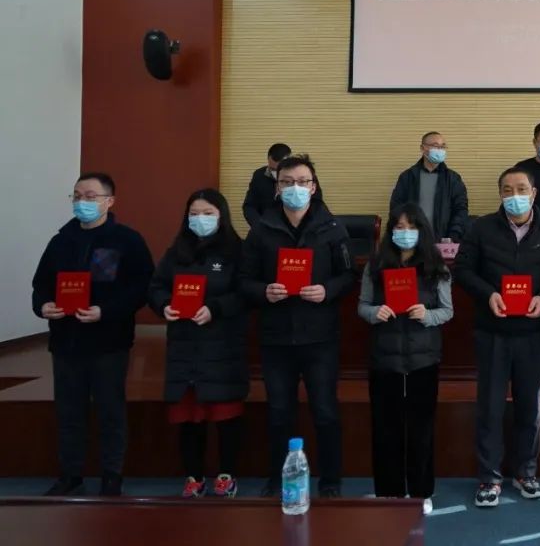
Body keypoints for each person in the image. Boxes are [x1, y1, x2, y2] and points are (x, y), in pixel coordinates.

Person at [239, 154, 355, 499]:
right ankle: (278, 480)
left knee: (325, 411)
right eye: (287, 182)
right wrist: (264, 291)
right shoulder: (261, 230)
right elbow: (243, 280)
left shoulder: (332, 228)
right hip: (276, 337)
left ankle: (330, 481)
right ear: (277, 188)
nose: (295, 188)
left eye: (302, 182)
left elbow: (349, 275)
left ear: (313, 187)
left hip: (320, 337)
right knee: (279, 413)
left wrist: (327, 290)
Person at [31, 172, 154, 496]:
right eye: (76, 196)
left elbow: (141, 287)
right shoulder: (60, 241)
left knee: (110, 410)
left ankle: (112, 475)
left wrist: (105, 311)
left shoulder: (127, 240)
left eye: (90, 197)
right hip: (66, 341)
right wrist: (43, 305)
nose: (81, 202)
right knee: (69, 412)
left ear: (109, 201)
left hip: (108, 342)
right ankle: (70, 474)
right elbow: (41, 284)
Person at [453, 168, 540, 508]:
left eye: (521, 189)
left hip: (532, 333)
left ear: (534, 193)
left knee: (530, 409)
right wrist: (488, 294)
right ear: (500, 194)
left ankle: (525, 473)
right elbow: (463, 270)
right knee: (490, 408)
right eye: (507, 189)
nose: (514, 195)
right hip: (492, 332)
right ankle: (489, 478)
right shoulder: (481, 228)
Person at [148, 188, 248, 498]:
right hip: (184, 345)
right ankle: (193, 477)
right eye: (194, 214)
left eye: (207, 214)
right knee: (189, 417)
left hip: (222, 346)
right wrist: (164, 304)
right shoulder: (176, 251)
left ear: (221, 216)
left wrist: (215, 309)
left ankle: (227, 475)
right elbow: (156, 286)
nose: (200, 219)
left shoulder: (236, 251)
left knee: (225, 414)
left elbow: (245, 293)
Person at [358, 203, 454, 516]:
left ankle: (421, 491)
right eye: (399, 227)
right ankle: (388, 492)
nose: (405, 233)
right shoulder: (375, 265)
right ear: (390, 232)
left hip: (423, 360)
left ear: (422, 231)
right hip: (384, 360)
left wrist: (427, 315)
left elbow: (447, 311)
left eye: (411, 227)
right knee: (385, 429)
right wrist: (375, 312)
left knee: (421, 429)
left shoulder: (436, 267)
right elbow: (362, 306)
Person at [389, 131, 469, 242]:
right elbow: (396, 207)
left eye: (442, 146)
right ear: (422, 148)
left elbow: (460, 209)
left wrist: (453, 235)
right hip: (412, 240)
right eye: (435, 146)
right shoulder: (408, 176)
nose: (440, 150)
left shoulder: (453, 179)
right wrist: (405, 233)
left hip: (443, 241)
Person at [242, 143, 291, 228]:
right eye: (272, 169)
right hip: (263, 227)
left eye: (280, 169)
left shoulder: (301, 178)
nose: (276, 173)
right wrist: (259, 226)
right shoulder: (259, 175)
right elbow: (249, 206)